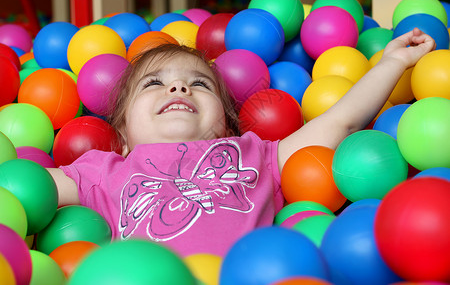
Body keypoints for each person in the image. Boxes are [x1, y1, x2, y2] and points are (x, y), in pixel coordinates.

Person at [48, 28, 435, 257]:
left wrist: (392, 64)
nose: (179, 86)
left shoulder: (254, 155)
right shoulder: (103, 170)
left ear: (227, 125)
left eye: (199, 84)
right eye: (154, 84)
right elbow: (30, 188)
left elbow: (339, 122)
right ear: (123, 137)